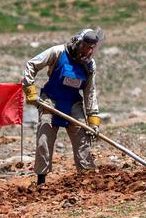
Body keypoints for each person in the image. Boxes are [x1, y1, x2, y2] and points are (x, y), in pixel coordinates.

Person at [22, 28, 104, 186]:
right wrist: (29, 90)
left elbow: (90, 92)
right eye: (86, 46)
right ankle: (41, 180)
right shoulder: (58, 52)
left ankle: (87, 177)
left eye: (92, 48)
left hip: (73, 103)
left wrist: (93, 119)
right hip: (50, 100)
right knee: (44, 139)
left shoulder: (89, 65)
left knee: (82, 139)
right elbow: (31, 65)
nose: (89, 51)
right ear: (78, 43)